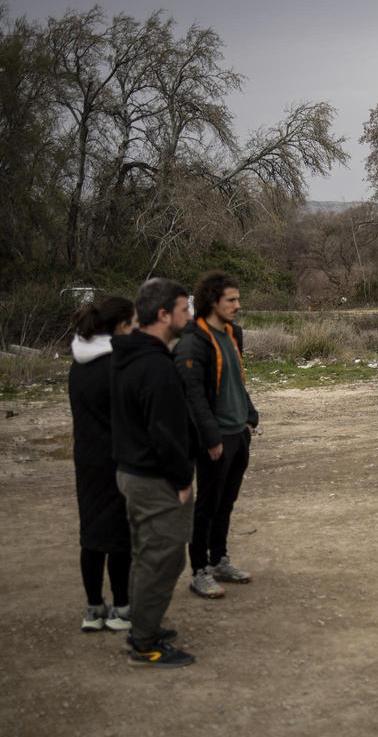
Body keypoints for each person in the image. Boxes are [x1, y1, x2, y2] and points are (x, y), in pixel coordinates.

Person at [112, 278, 196, 668]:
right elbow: (165, 434)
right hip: (154, 479)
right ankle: (145, 644)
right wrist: (181, 481)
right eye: (183, 310)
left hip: (132, 473)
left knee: (146, 555)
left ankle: (143, 627)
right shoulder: (155, 367)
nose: (189, 316)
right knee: (162, 559)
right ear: (164, 315)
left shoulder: (127, 355)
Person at [175, 272, 260, 599]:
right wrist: (211, 439)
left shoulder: (231, 333)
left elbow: (237, 380)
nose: (238, 305)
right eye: (232, 300)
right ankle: (199, 571)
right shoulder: (194, 341)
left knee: (226, 502)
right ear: (213, 301)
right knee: (207, 506)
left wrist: (250, 417)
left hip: (239, 433)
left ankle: (219, 559)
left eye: (238, 299)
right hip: (216, 438)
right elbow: (193, 396)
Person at [68, 296, 135, 633]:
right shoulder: (116, 365)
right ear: (121, 325)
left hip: (86, 459)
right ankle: (122, 607)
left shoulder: (78, 364)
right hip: (117, 459)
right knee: (120, 537)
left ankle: (94, 607)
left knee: (92, 534)